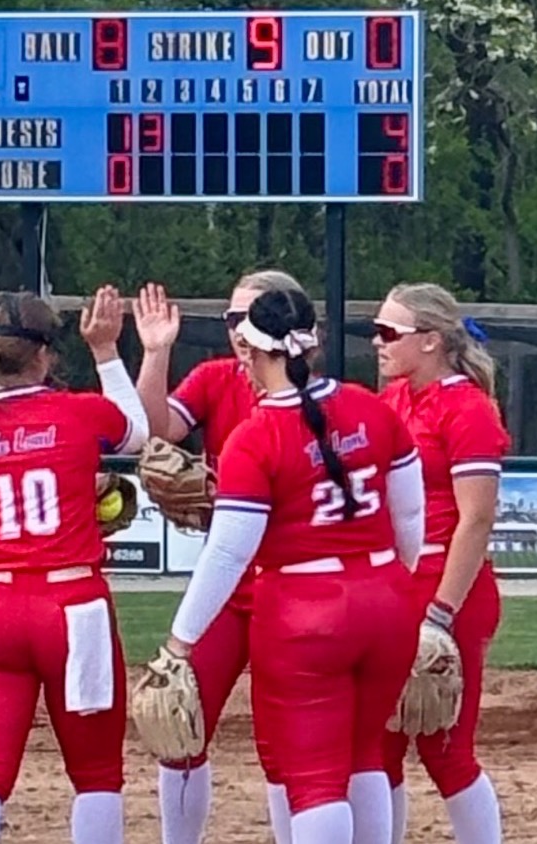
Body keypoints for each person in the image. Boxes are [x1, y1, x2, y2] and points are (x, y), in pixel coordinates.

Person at [157, 287, 428, 844]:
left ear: (251, 353)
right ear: (314, 343)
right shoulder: (372, 407)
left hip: (305, 614)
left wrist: (180, 641)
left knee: (314, 780)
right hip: (386, 599)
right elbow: (411, 517)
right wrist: (391, 581)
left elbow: (230, 551)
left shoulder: (256, 436)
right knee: (365, 756)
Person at [0, 287, 149, 844]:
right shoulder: (76, 412)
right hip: (73, 606)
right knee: (97, 774)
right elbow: (138, 432)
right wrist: (105, 352)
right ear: (46, 355)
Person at [132, 270, 306, 844]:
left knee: (288, 750)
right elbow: (154, 431)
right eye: (231, 318)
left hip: (291, 593)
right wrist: (156, 353)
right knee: (179, 725)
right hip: (227, 593)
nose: (236, 329)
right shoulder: (216, 379)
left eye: (248, 317)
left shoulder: (313, 396)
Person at [373, 282, 510, 844]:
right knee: (376, 749)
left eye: (389, 333)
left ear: (430, 341)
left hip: (448, 593)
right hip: (393, 590)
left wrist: (441, 614)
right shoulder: (392, 401)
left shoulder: (467, 409)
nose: (377, 343)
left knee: (445, 748)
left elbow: (476, 519)